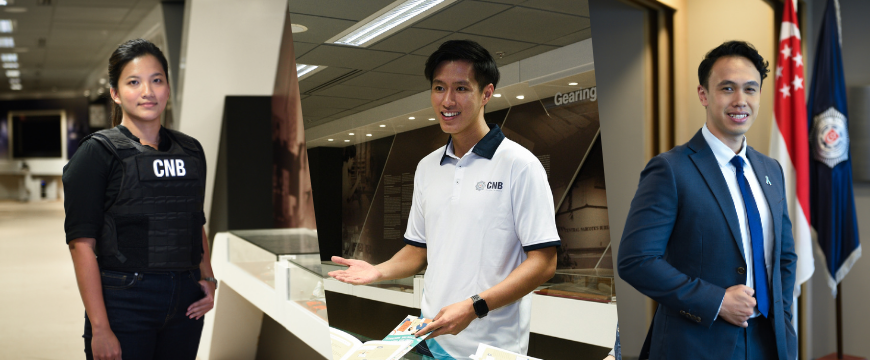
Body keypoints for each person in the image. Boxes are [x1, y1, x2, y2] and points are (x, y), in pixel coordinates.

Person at [328, 39, 560, 359]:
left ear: (486, 94)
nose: (447, 100)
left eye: (461, 88)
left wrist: (474, 307)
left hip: (491, 349)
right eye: (439, 88)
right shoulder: (427, 167)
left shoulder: (519, 165)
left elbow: (544, 263)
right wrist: (378, 271)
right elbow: (417, 250)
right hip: (432, 338)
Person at [617, 40, 797, 360]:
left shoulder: (771, 169)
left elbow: (784, 257)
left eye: (750, 89)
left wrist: (783, 321)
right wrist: (717, 302)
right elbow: (636, 260)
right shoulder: (671, 169)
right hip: (696, 344)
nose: (740, 100)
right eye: (727, 88)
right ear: (703, 94)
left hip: (769, 342)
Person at [64, 39, 216, 360]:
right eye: (134, 82)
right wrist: (100, 328)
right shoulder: (96, 153)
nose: (148, 91)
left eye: (156, 80)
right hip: (125, 299)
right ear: (115, 93)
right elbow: (81, 244)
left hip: (186, 300)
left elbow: (194, 219)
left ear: (168, 88)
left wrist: (208, 277)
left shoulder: (191, 150)